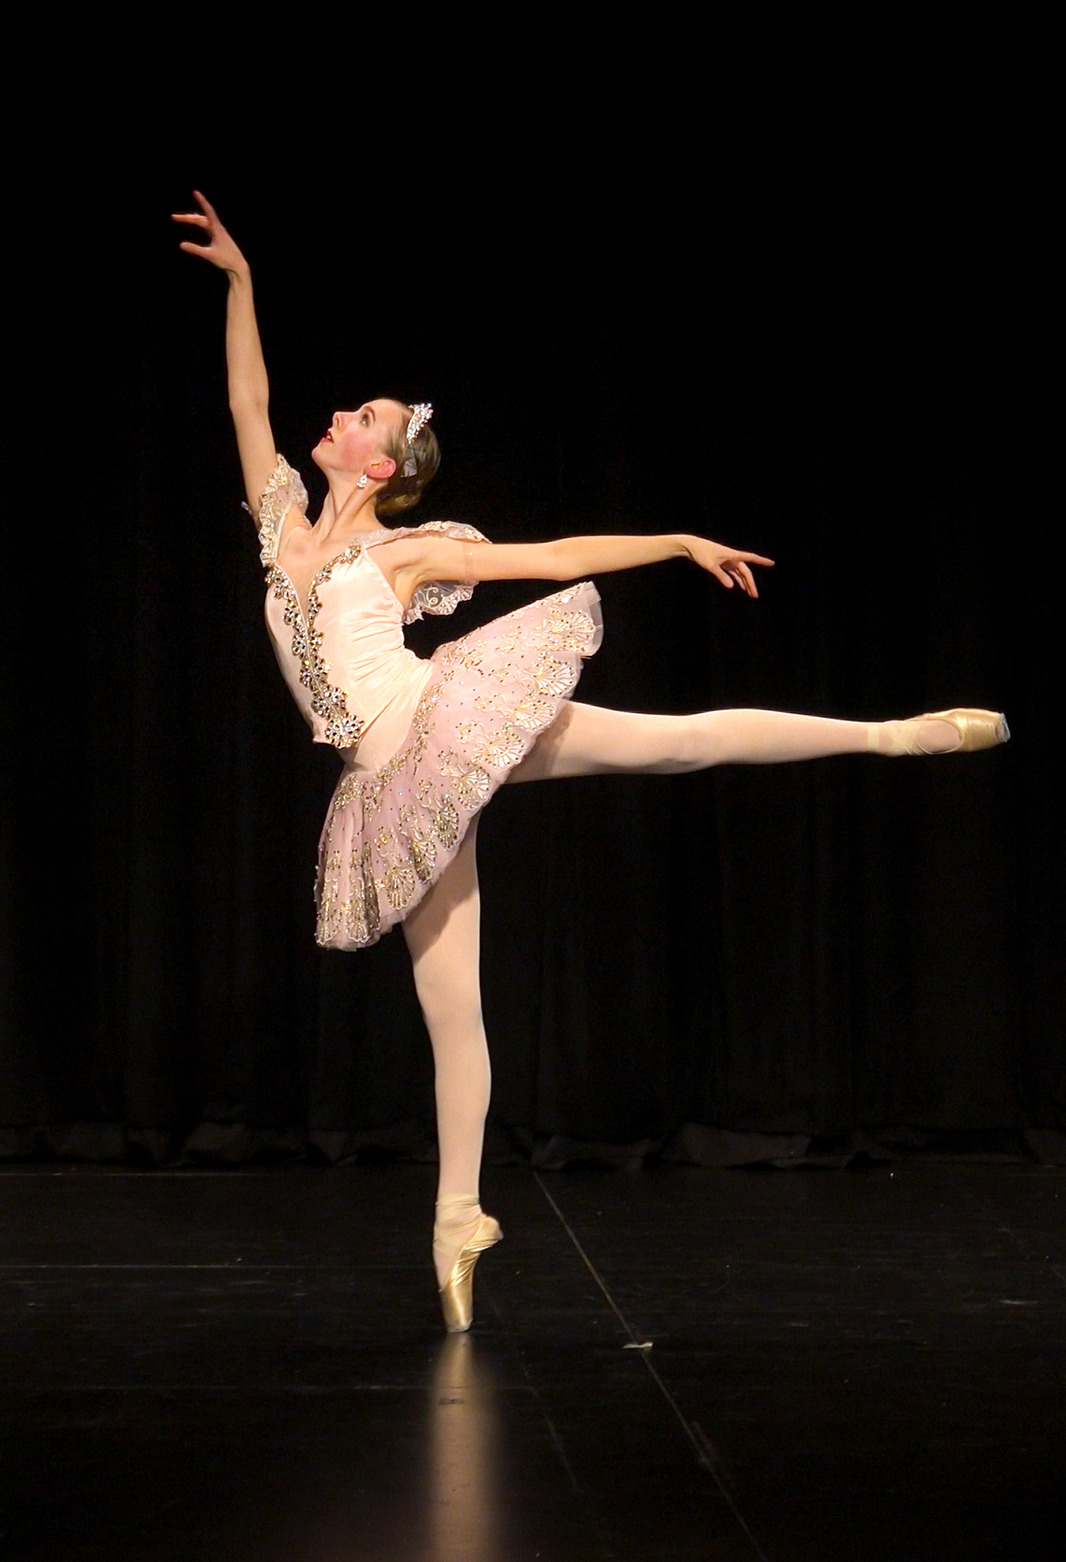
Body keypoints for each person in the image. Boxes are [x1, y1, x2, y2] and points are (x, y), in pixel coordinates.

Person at [174, 192, 1009, 1333]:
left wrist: (676, 539)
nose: (336, 413)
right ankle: (458, 1218)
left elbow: (558, 554)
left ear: (385, 462)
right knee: (450, 1010)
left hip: (444, 718)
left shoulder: (407, 549)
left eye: (360, 413)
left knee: (674, 745)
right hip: (386, 783)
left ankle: (890, 734)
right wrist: (241, 281)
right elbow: (245, 396)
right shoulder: (281, 527)